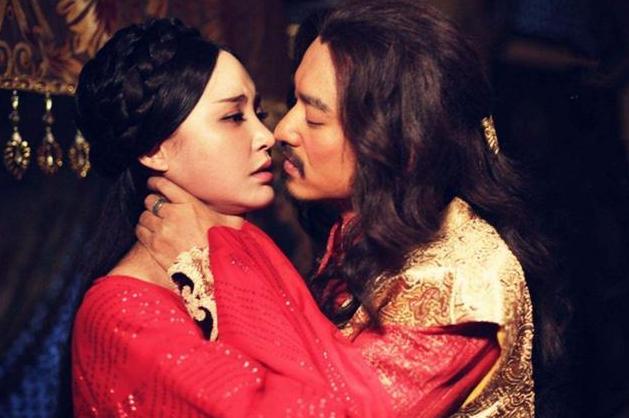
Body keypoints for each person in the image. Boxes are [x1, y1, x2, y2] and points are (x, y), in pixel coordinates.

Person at [136, 1, 570, 416]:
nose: (282, 130)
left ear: (400, 142)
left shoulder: (460, 286)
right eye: (293, 101)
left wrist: (207, 260)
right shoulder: (361, 226)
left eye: (315, 117)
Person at [72, 17, 397, 417]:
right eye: (232, 117)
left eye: (257, 113)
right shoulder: (121, 312)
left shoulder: (247, 248)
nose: (267, 136)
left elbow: (353, 393)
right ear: (154, 149)